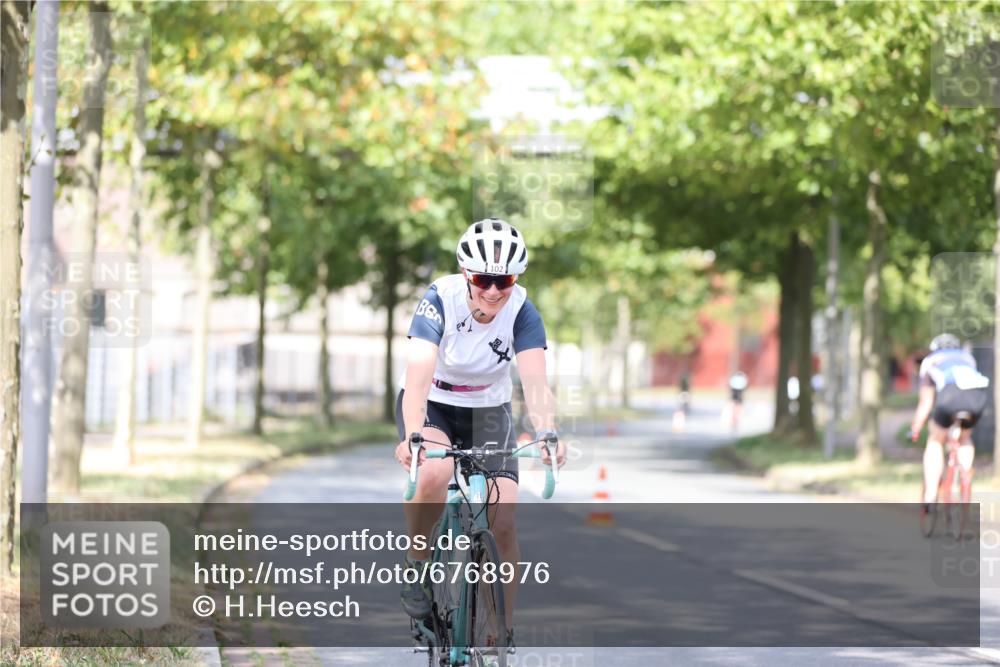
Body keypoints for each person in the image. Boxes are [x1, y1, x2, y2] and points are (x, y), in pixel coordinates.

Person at [393, 218, 567, 642]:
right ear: (467, 274)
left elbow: (536, 383)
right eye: (484, 279)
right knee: (432, 473)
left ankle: (500, 630)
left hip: (488, 409)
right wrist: (413, 435)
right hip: (434, 401)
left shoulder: (522, 310)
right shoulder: (440, 299)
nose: (493, 290)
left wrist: (548, 432)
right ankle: (417, 565)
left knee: (503, 522)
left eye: (503, 279)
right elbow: (417, 376)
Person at [910, 333, 989, 512]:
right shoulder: (967, 358)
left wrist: (915, 427)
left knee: (935, 441)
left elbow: (926, 402)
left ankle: (930, 493)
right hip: (976, 398)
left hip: (950, 396)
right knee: (965, 438)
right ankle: (965, 477)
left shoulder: (931, 361)